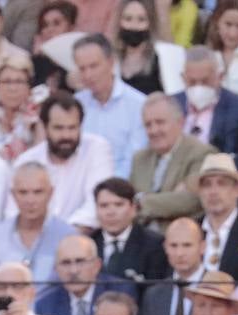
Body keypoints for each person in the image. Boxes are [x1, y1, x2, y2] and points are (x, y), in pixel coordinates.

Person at [10, 94, 113, 231]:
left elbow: (96, 203)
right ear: (45, 128)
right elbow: (13, 212)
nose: (66, 136)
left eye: (72, 128)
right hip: (35, 240)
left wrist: (65, 239)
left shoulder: (96, 149)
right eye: (59, 128)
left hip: (83, 239)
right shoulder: (26, 161)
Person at [130, 93, 213, 228]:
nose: (154, 130)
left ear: (180, 122)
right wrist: (170, 198)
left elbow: (191, 201)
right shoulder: (139, 159)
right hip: (142, 239)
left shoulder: (200, 153)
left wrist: (142, 201)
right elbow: (128, 204)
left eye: (160, 122)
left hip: (180, 238)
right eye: (148, 125)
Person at [73, 34, 148, 179]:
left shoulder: (138, 105)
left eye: (94, 66)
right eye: (82, 69)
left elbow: (133, 161)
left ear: (111, 62)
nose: (88, 75)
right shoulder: (75, 105)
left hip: (120, 189)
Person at [34, 233, 137, 315]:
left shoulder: (120, 292)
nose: (73, 271)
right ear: (56, 269)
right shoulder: (46, 303)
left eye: (80, 261)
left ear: (97, 265)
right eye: (66, 263)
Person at [0, 163, 73, 285]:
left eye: (38, 192)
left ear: (50, 193)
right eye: (23, 192)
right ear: (13, 194)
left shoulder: (68, 237)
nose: (30, 200)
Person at [192, 153, 238, 281]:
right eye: (207, 185)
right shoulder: (191, 229)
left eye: (221, 184)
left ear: (236, 190)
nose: (213, 192)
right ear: (200, 192)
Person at [92, 177, 170, 289]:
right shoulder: (89, 244)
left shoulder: (154, 245)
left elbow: (156, 293)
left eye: (118, 204)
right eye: (104, 206)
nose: (111, 212)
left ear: (133, 208)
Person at [174, 45, 238, 155]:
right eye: (192, 82)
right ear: (183, 78)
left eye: (205, 81)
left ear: (219, 77)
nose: (198, 87)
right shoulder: (171, 104)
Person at [139, 217, 205, 315]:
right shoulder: (153, 294)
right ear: (165, 247)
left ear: (202, 247)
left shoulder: (216, 287)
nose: (179, 253)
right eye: (173, 246)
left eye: (187, 245)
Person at [0, 55, 44, 163]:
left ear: (28, 86)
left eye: (19, 81)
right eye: (7, 82)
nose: (13, 88)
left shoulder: (38, 118)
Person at [113, 0, 186, 96]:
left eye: (141, 19)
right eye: (128, 19)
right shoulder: (111, 58)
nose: (134, 26)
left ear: (151, 23)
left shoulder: (162, 58)